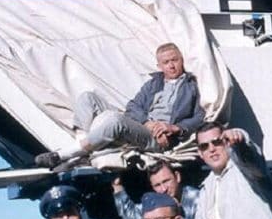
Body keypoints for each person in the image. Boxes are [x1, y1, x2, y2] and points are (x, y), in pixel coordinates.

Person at [35, 43, 205, 168]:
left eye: (174, 60)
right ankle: (84, 148)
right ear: (159, 66)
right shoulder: (153, 84)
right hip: (144, 125)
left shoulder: (191, 85)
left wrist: (175, 128)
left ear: (182, 60)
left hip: (160, 138)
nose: (171, 65)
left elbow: (199, 117)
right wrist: (147, 122)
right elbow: (132, 107)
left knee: (115, 120)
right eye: (166, 62)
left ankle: (63, 155)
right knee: (87, 98)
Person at [112, 160, 199, 219]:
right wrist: (117, 186)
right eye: (157, 185)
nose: (164, 189)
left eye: (166, 181)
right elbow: (132, 215)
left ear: (177, 177)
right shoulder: (157, 203)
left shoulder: (195, 198)